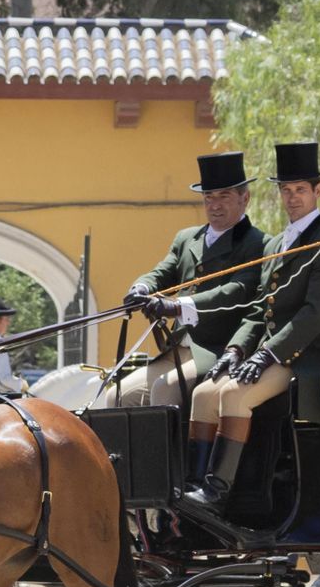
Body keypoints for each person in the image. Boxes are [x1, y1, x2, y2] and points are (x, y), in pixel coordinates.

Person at [183, 141, 320, 511]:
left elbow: (314, 314)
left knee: (235, 395)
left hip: (305, 356)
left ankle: (217, 492)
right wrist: (236, 349)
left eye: (300, 190)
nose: (292, 198)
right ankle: (193, 486)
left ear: (317, 191)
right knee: (203, 394)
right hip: (269, 353)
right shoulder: (277, 243)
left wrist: (265, 355)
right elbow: (260, 309)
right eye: (285, 190)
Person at [108, 151, 267, 407]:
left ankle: (180, 449)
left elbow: (237, 291)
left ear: (244, 198)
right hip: (175, 350)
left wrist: (178, 305)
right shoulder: (187, 238)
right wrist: (142, 287)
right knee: (116, 394)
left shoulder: (257, 243)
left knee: (164, 391)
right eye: (208, 197)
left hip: (215, 349)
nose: (214, 205)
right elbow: (163, 272)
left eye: (224, 196)